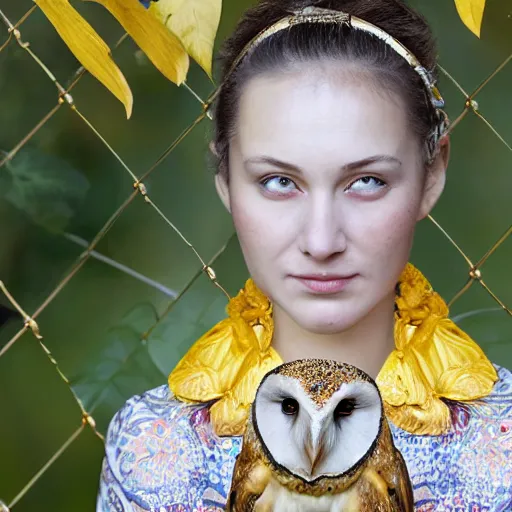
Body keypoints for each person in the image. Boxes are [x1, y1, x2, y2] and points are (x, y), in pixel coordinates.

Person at [96, 0, 512, 510]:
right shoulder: (150, 453)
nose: (321, 241)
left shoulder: (504, 452)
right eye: (278, 182)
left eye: (366, 181)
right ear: (225, 179)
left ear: (432, 174)